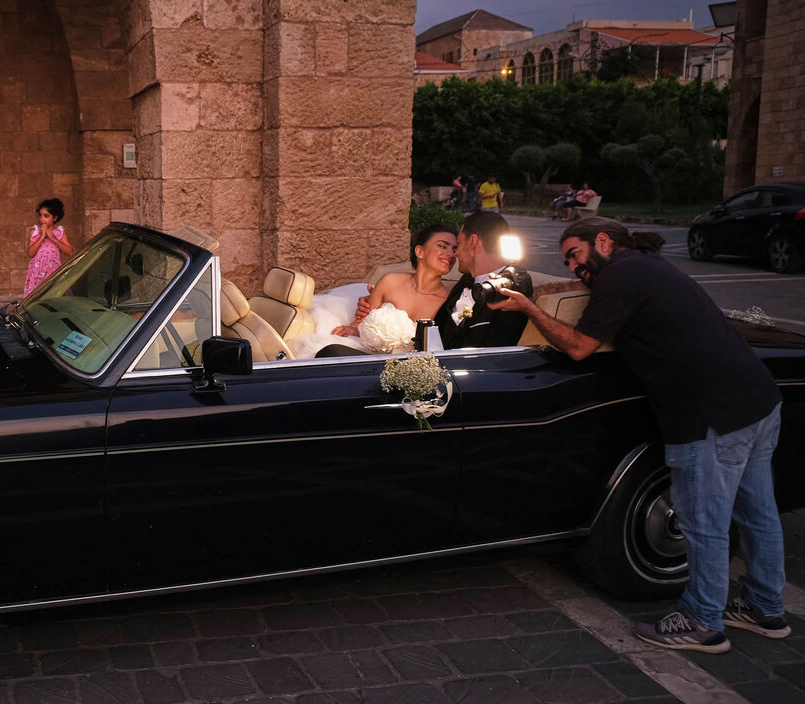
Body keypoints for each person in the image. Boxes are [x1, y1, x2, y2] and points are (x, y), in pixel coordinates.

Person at [490, 217, 787, 654]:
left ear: (603, 242)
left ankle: (703, 621)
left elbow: (579, 347)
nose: (572, 267)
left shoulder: (620, 275)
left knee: (703, 525)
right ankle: (766, 608)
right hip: (757, 401)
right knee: (758, 514)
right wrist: (544, 292)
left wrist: (528, 308)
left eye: (575, 254)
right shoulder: (644, 264)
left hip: (709, 416)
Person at [299, 225, 457, 358]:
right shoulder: (390, 281)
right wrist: (357, 329)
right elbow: (360, 323)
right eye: (442, 246)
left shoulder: (447, 301)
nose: (450, 254)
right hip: (367, 353)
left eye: (454, 249)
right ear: (419, 252)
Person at [433, 211, 528, 350]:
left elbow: (496, 352)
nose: (455, 253)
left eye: (458, 244)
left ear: (472, 242)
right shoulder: (466, 281)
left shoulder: (512, 289)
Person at [24, 197, 74, 295]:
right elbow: (30, 253)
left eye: (46, 216)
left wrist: (54, 238)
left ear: (54, 218)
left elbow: (70, 252)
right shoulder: (35, 232)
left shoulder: (60, 232)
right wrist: (42, 236)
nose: (42, 219)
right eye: (40, 215)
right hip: (37, 272)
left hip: (52, 273)